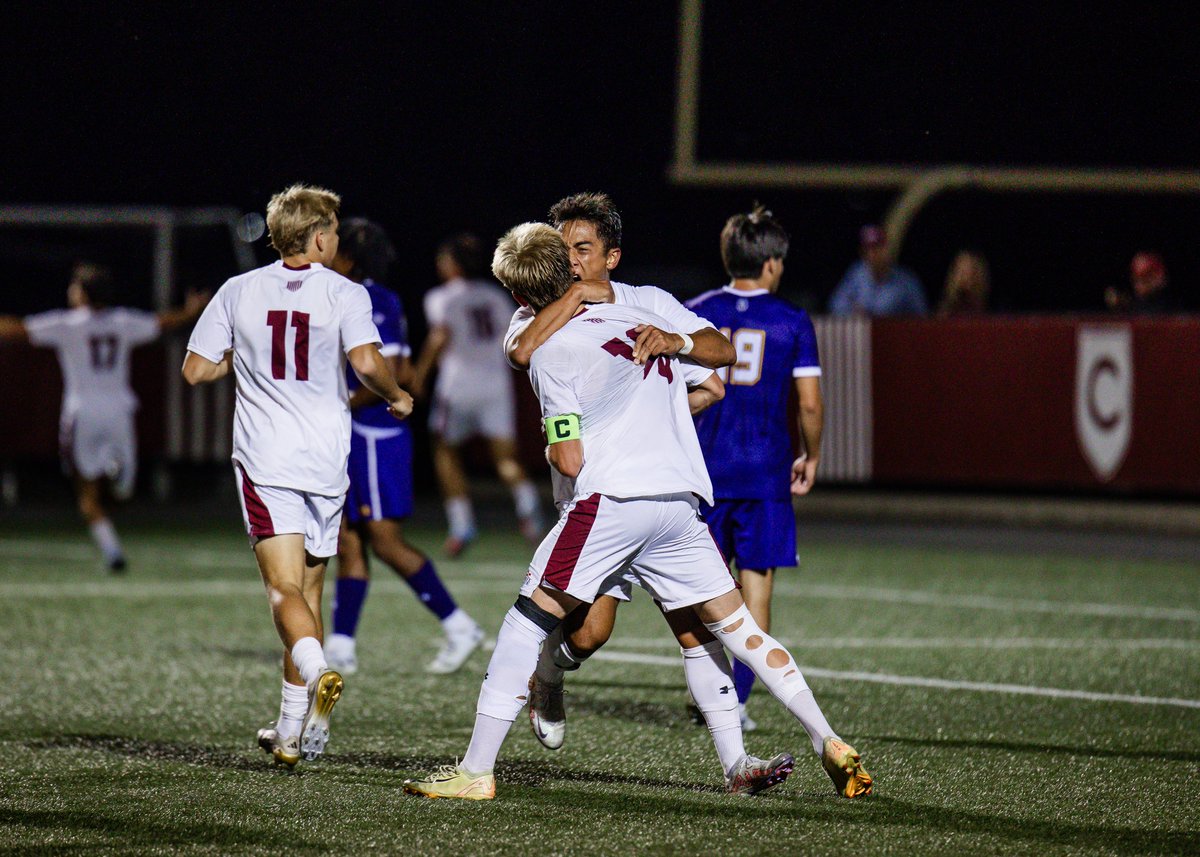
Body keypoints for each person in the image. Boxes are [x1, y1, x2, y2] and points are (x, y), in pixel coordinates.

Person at [403, 222, 870, 801]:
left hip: (610, 503)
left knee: (527, 620)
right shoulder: (639, 319)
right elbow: (714, 384)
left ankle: (475, 770)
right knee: (734, 629)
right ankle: (815, 739)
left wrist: (561, 441)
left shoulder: (551, 347)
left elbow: (569, 459)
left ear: (521, 297)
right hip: (677, 504)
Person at [182, 185, 414, 769]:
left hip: (267, 459)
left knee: (282, 592)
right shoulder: (344, 291)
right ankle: (289, 730)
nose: (337, 240)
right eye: (333, 231)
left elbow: (195, 371)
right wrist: (397, 395)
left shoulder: (237, 290)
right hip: (326, 458)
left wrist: (243, 355)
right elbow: (365, 362)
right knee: (309, 591)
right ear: (317, 237)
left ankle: (318, 670)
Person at [502, 191, 736, 750]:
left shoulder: (646, 300)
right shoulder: (541, 308)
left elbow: (717, 364)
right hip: (591, 493)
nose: (572, 262)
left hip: (651, 491)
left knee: (696, 624)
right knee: (590, 632)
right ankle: (551, 674)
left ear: (613, 257)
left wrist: (668, 370)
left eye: (584, 251)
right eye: (564, 251)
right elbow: (521, 351)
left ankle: (737, 757)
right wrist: (578, 297)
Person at [323, 219, 484, 677]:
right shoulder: (348, 294)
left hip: (375, 434)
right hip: (356, 433)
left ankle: (458, 625)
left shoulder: (371, 297)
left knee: (386, 542)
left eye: (333, 245)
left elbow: (390, 373)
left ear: (349, 256)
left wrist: (337, 402)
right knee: (347, 537)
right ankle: (341, 644)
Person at [685, 206, 823, 732]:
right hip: (765, 475)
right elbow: (809, 404)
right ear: (770, 264)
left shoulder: (694, 310)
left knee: (698, 593)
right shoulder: (791, 320)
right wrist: (811, 455)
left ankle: (706, 696)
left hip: (704, 474)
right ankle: (737, 705)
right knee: (754, 592)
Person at [0, 262, 207, 571]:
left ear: (82, 293)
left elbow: (18, 330)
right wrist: (191, 312)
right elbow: (162, 323)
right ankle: (116, 473)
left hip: (82, 412)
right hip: (119, 411)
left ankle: (112, 550)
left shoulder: (69, 324)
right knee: (123, 491)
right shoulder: (122, 321)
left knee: (86, 495)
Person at [411, 233, 543, 556]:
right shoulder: (496, 297)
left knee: (444, 450)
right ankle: (529, 514)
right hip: (495, 384)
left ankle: (461, 524)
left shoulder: (441, 297)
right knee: (506, 459)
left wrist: (419, 375)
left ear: (453, 265)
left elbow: (440, 336)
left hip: (456, 386)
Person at [828, 224, 927, 316]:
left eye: (878, 247)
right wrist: (853, 311)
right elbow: (835, 304)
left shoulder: (906, 281)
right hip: (863, 333)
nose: (874, 254)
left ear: (887, 249)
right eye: (869, 249)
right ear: (863, 252)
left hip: (893, 332)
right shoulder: (857, 273)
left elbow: (922, 316)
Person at [1105, 251, 1179, 314]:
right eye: (1136, 279)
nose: (1139, 284)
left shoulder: (1169, 306)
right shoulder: (1132, 305)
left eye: (1146, 278)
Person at [936, 249, 991, 317]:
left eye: (972, 272)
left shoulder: (991, 313)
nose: (966, 278)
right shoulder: (945, 314)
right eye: (962, 272)